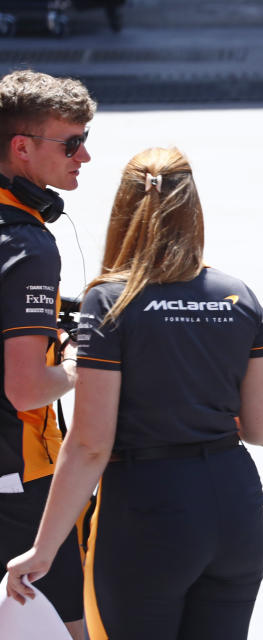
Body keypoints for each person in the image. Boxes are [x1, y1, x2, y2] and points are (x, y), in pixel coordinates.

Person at [5, 147, 263, 640]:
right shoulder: (238, 295)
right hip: (234, 504)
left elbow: (90, 444)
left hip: (148, 507)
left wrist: (42, 550)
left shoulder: (110, 302)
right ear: (192, 207)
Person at [0, 69, 95, 640]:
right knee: (69, 627)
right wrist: (83, 361)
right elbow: (28, 388)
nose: (84, 155)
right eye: (71, 143)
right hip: (20, 473)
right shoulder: (28, 245)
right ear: (22, 148)